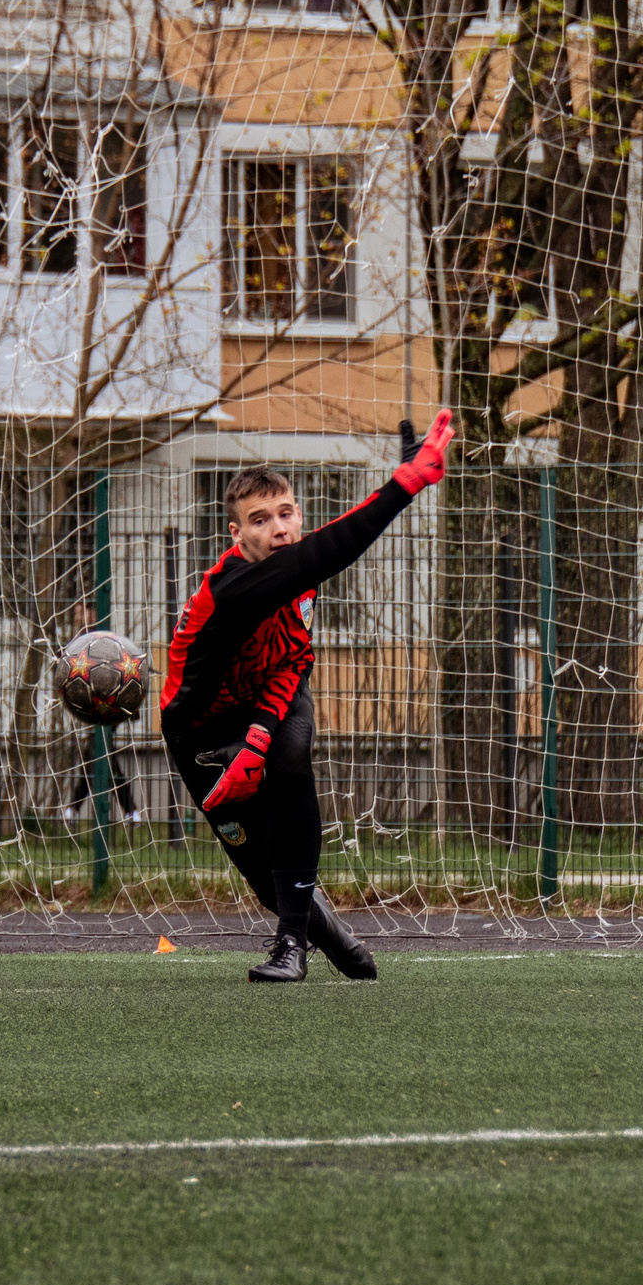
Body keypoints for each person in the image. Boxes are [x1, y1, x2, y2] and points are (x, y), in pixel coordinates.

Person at [161, 412, 455, 982]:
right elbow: (333, 548)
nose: (279, 527)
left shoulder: (298, 579)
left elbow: (294, 660)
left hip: (263, 708)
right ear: (237, 534)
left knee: (291, 759)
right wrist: (404, 484)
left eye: (286, 513)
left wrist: (260, 736)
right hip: (200, 737)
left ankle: (289, 948)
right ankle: (331, 937)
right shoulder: (233, 588)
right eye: (260, 519)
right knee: (260, 873)